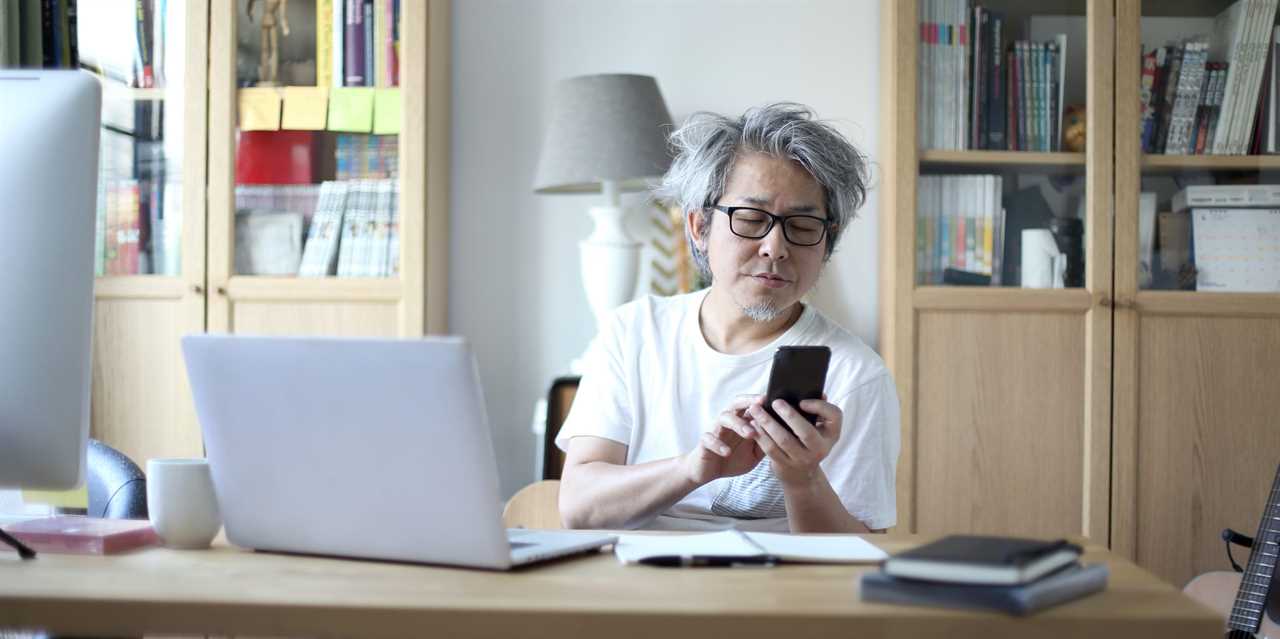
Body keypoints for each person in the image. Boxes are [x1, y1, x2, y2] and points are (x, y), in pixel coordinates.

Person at [555, 103, 900, 533]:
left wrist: (802, 479)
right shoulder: (634, 332)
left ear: (825, 245)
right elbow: (578, 507)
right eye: (752, 219)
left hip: (772, 596)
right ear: (699, 227)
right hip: (636, 590)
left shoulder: (856, 374)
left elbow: (861, 554)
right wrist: (693, 469)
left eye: (803, 225)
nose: (775, 247)